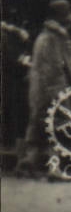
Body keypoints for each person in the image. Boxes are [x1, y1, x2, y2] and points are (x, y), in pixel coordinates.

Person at [19, 0, 71, 177]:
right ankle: (55, 169)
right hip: (52, 88)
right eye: (66, 19)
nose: (69, 22)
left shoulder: (44, 36)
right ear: (60, 19)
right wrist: (63, 91)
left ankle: (28, 163)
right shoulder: (54, 38)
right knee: (59, 127)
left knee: (37, 126)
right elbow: (54, 68)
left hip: (39, 89)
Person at [2, 19, 31, 148]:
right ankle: (8, 139)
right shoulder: (4, 35)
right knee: (11, 105)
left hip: (9, 75)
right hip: (9, 76)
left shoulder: (7, 34)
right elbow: (10, 60)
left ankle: (8, 139)